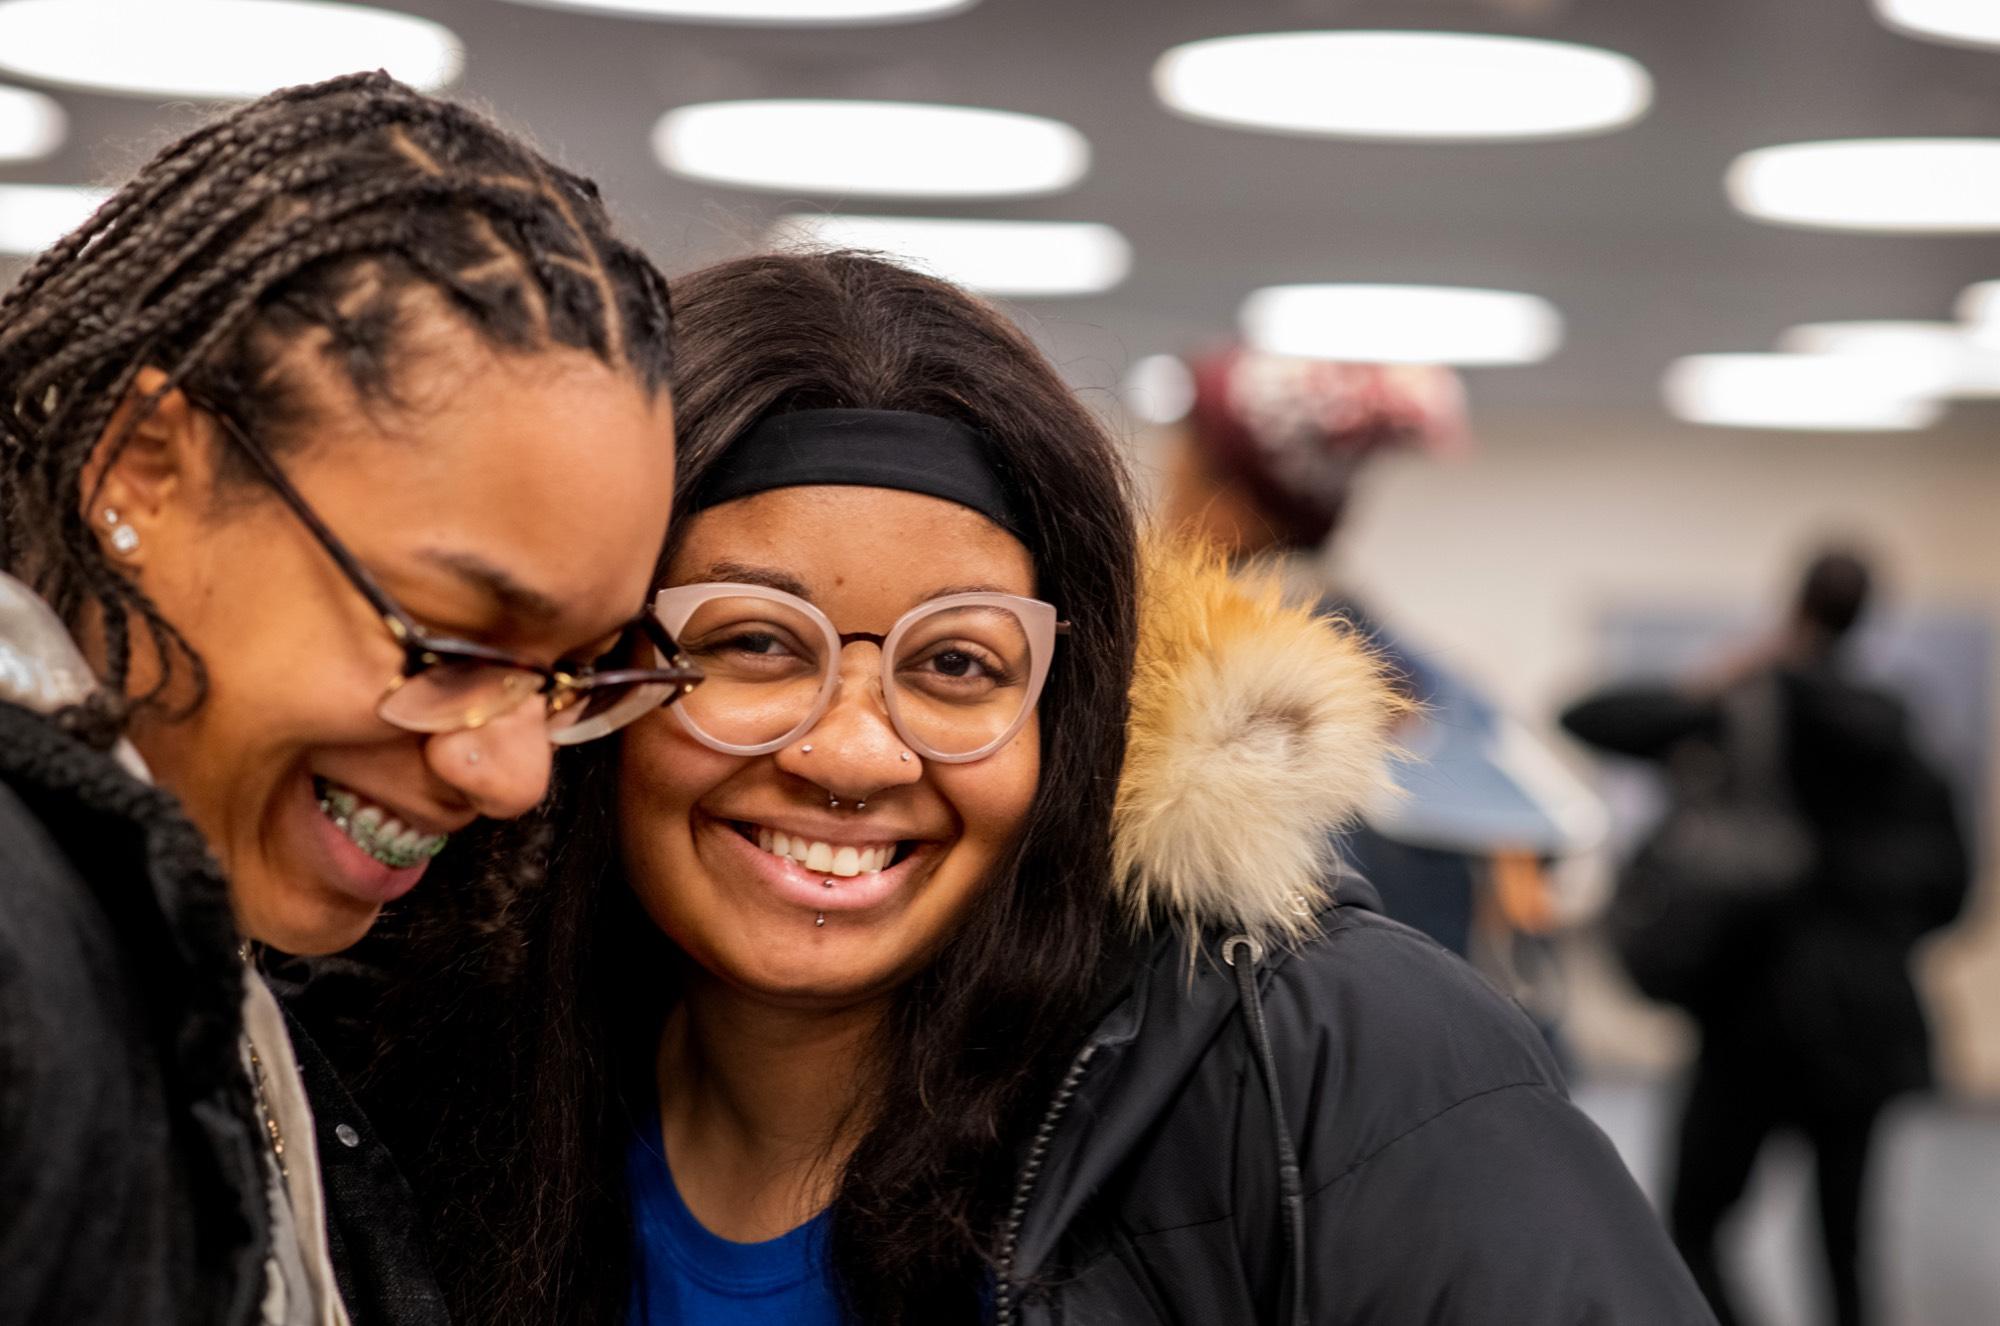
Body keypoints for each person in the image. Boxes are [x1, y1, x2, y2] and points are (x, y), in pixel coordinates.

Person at [355, 251, 1713, 1324]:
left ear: (1063, 716)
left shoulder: (1335, 1068)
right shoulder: (413, 1081)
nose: (852, 752)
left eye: (956, 663)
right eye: (753, 644)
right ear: (592, 673)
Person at [0, 73, 695, 1326]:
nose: (516, 774)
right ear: (142, 471)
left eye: (574, 673)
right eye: (449, 640)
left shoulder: (174, 937)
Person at [1562, 549, 1972, 1326]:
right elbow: (1951, 895)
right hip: (1865, 1026)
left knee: (1695, 1225)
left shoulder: (1745, 710)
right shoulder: (1908, 745)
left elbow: (1585, 716)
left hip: (1753, 1019)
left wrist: (1723, 677)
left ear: (1798, 606)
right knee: (1846, 1247)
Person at [1153, 347, 1606, 961]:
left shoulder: (1205, 668)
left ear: (1228, 498)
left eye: (1179, 466)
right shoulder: (1406, 666)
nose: (1162, 490)